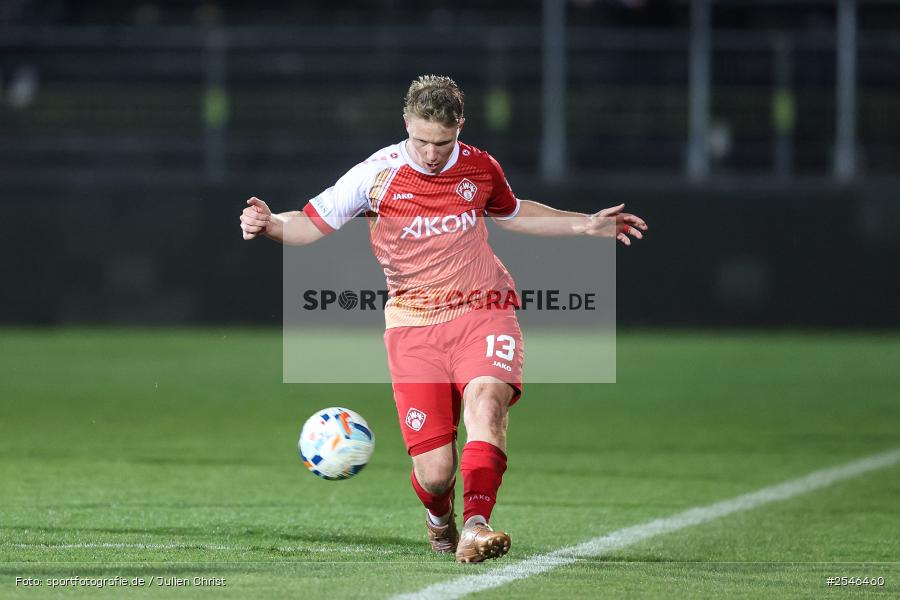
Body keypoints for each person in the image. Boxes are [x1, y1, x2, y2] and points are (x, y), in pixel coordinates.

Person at [239, 75, 647, 563]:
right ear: (406, 123)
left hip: (484, 309)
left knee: (487, 405)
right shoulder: (375, 174)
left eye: (443, 142)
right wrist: (269, 225)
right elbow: (311, 223)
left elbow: (513, 213)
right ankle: (441, 519)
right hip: (413, 325)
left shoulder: (478, 167)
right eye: (423, 141)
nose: (432, 154)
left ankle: (476, 525)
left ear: (460, 128)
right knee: (435, 473)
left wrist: (584, 223)